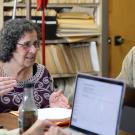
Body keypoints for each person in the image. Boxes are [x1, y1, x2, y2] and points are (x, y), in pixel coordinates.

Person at [0, 18, 69, 113]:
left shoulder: (42, 73)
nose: (33, 50)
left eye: (35, 44)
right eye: (26, 44)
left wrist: (53, 108)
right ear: (10, 46)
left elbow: (46, 113)